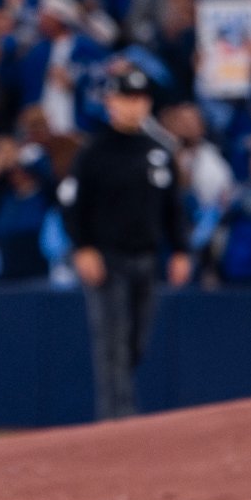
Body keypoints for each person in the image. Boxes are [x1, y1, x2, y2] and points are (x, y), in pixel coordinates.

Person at [59, 58, 190, 420]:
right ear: (110, 102)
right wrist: (82, 247)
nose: (132, 104)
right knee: (112, 344)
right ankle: (117, 419)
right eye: (125, 97)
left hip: (147, 258)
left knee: (137, 342)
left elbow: (172, 206)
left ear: (146, 104)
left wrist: (180, 249)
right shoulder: (94, 152)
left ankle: (121, 416)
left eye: (138, 98)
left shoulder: (158, 151)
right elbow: (72, 205)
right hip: (108, 259)